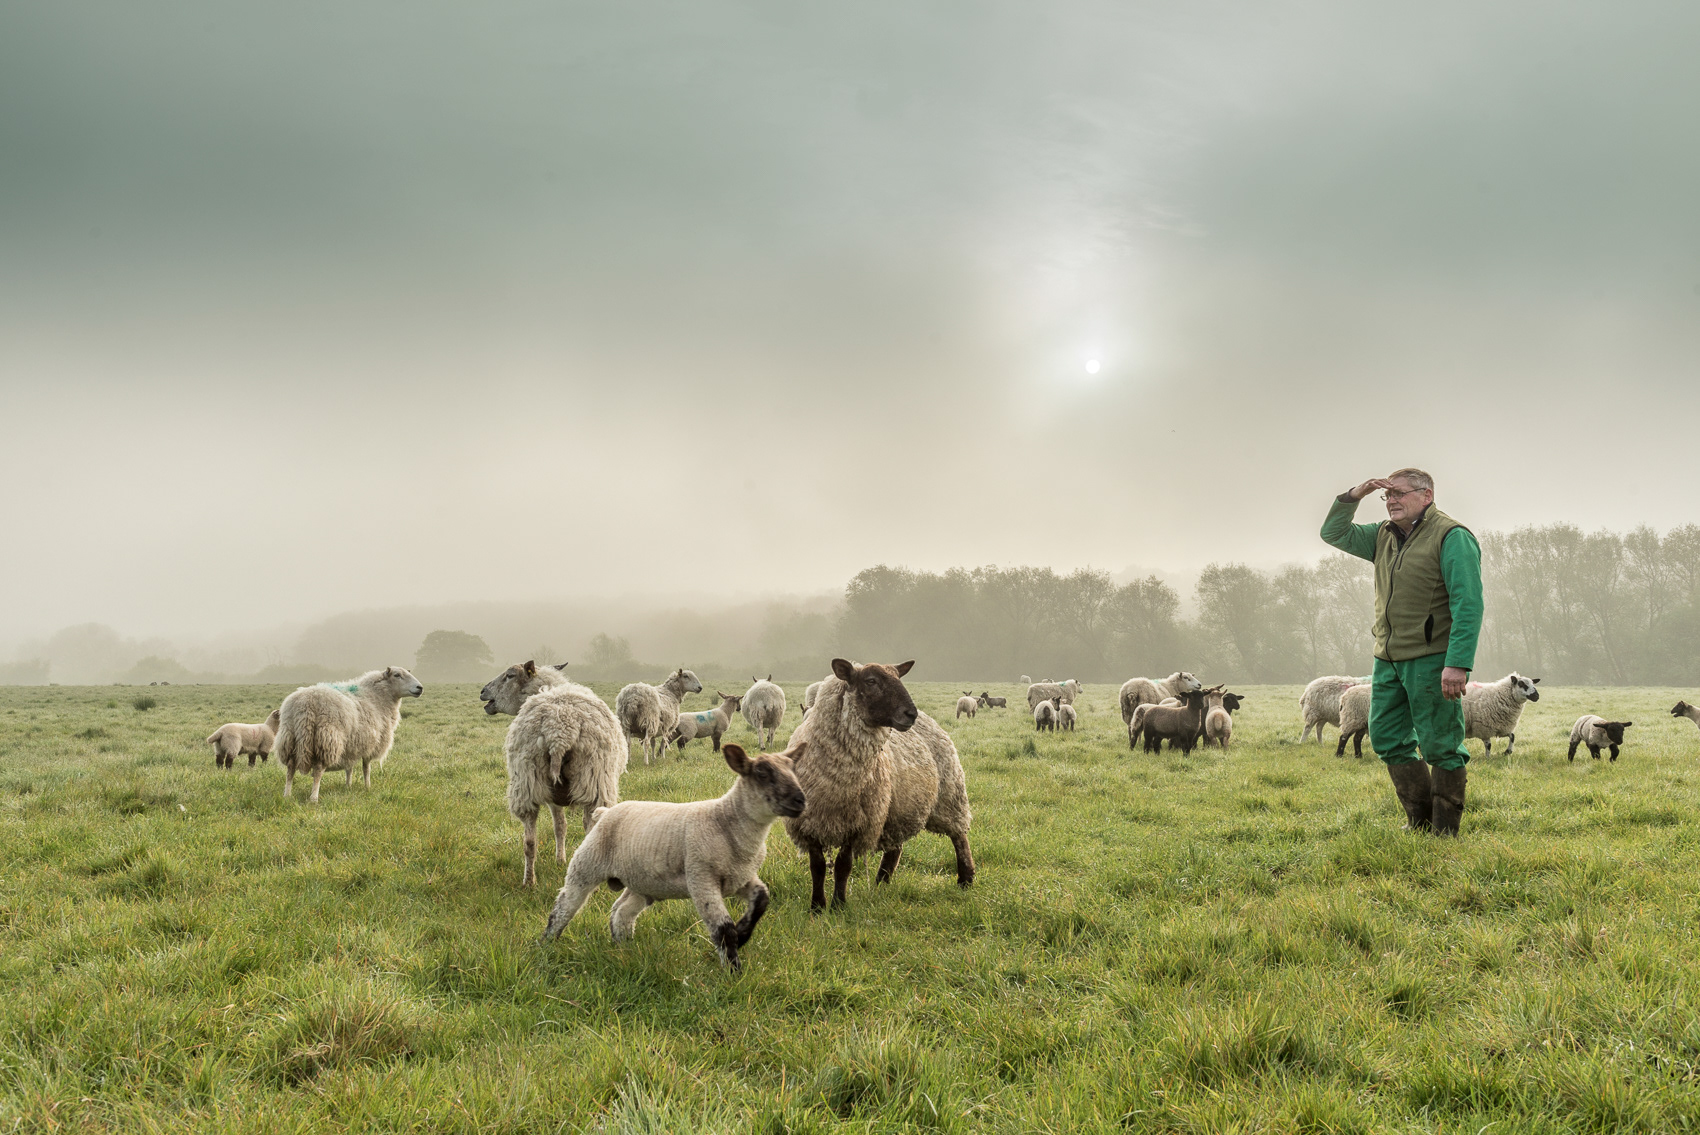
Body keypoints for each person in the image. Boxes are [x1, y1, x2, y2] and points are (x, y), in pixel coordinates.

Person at [1320, 468, 1482, 835]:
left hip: (1432, 659)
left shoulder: (1452, 537)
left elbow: (1468, 604)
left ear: (1426, 496)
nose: (1391, 500)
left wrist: (1457, 663)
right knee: (1388, 737)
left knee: (1440, 743)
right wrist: (1353, 496)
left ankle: (1444, 833)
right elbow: (1333, 532)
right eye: (1386, 495)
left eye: (1399, 494)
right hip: (1387, 659)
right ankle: (1420, 823)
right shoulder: (1382, 535)